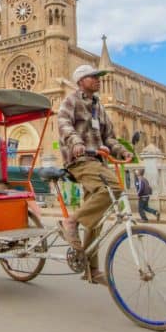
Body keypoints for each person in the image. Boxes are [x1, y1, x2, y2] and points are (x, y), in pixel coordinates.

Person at [58, 64, 132, 285]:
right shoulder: (71, 100)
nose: (98, 80)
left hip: (97, 160)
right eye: (93, 77)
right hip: (80, 160)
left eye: (99, 77)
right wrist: (76, 142)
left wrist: (122, 150)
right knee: (114, 188)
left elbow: (109, 137)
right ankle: (70, 222)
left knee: (96, 220)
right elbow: (63, 123)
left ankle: (91, 271)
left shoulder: (99, 107)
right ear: (81, 81)